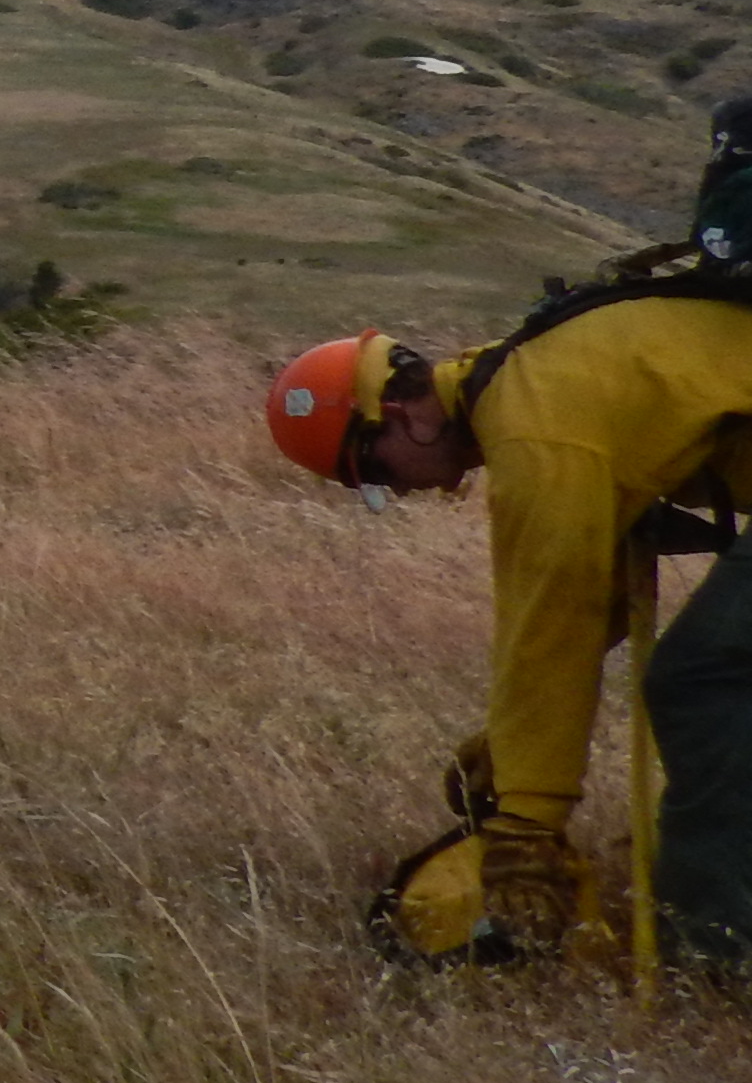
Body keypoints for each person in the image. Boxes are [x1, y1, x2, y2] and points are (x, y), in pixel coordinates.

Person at [267, 298, 752, 968]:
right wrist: (509, 740)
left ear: (400, 415)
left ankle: (719, 962)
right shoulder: (523, 386)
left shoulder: (535, 435)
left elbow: (559, 619)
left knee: (701, 680)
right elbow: (589, 589)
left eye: (374, 475)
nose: (396, 495)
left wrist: (527, 822)